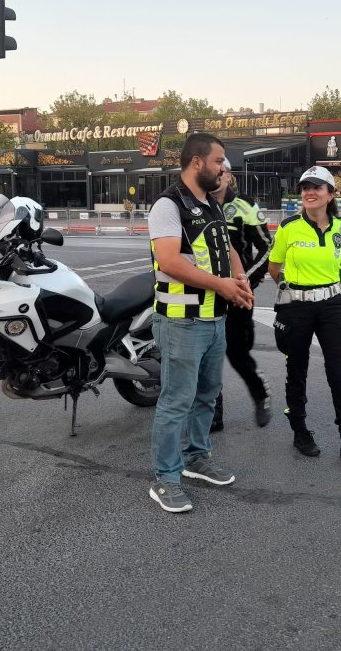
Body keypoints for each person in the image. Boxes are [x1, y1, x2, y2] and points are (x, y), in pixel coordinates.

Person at [147, 133, 254, 513]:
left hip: (214, 319)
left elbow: (226, 247)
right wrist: (222, 286)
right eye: (219, 160)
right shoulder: (167, 205)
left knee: (207, 396)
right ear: (197, 162)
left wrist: (238, 279)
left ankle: (196, 457)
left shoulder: (210, 203)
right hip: (181, 322)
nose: (224, 167)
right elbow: (171, 262)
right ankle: (165, 478)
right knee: (176, 401)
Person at [267, 166, 341, 470]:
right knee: (296, 371)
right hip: (296, 306)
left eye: (317, 187)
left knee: (339, 375)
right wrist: (295, 290)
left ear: (330, 194)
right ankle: (300, 432)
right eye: (305, 187)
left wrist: (326, 290)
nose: (309, 192)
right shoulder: (288, 227)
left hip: (332, 306)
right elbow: (274, 267)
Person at [210, 163, 273, 432]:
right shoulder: (193, 204)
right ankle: (214, 412)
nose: (217, 176)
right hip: (204, 292)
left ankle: (260, 395)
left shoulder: (245, 206)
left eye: (222, 170)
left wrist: (246, 281)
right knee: (207, 356)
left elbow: (267, 247)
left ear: (229, 175)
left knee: (237, 353)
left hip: (239, 294)